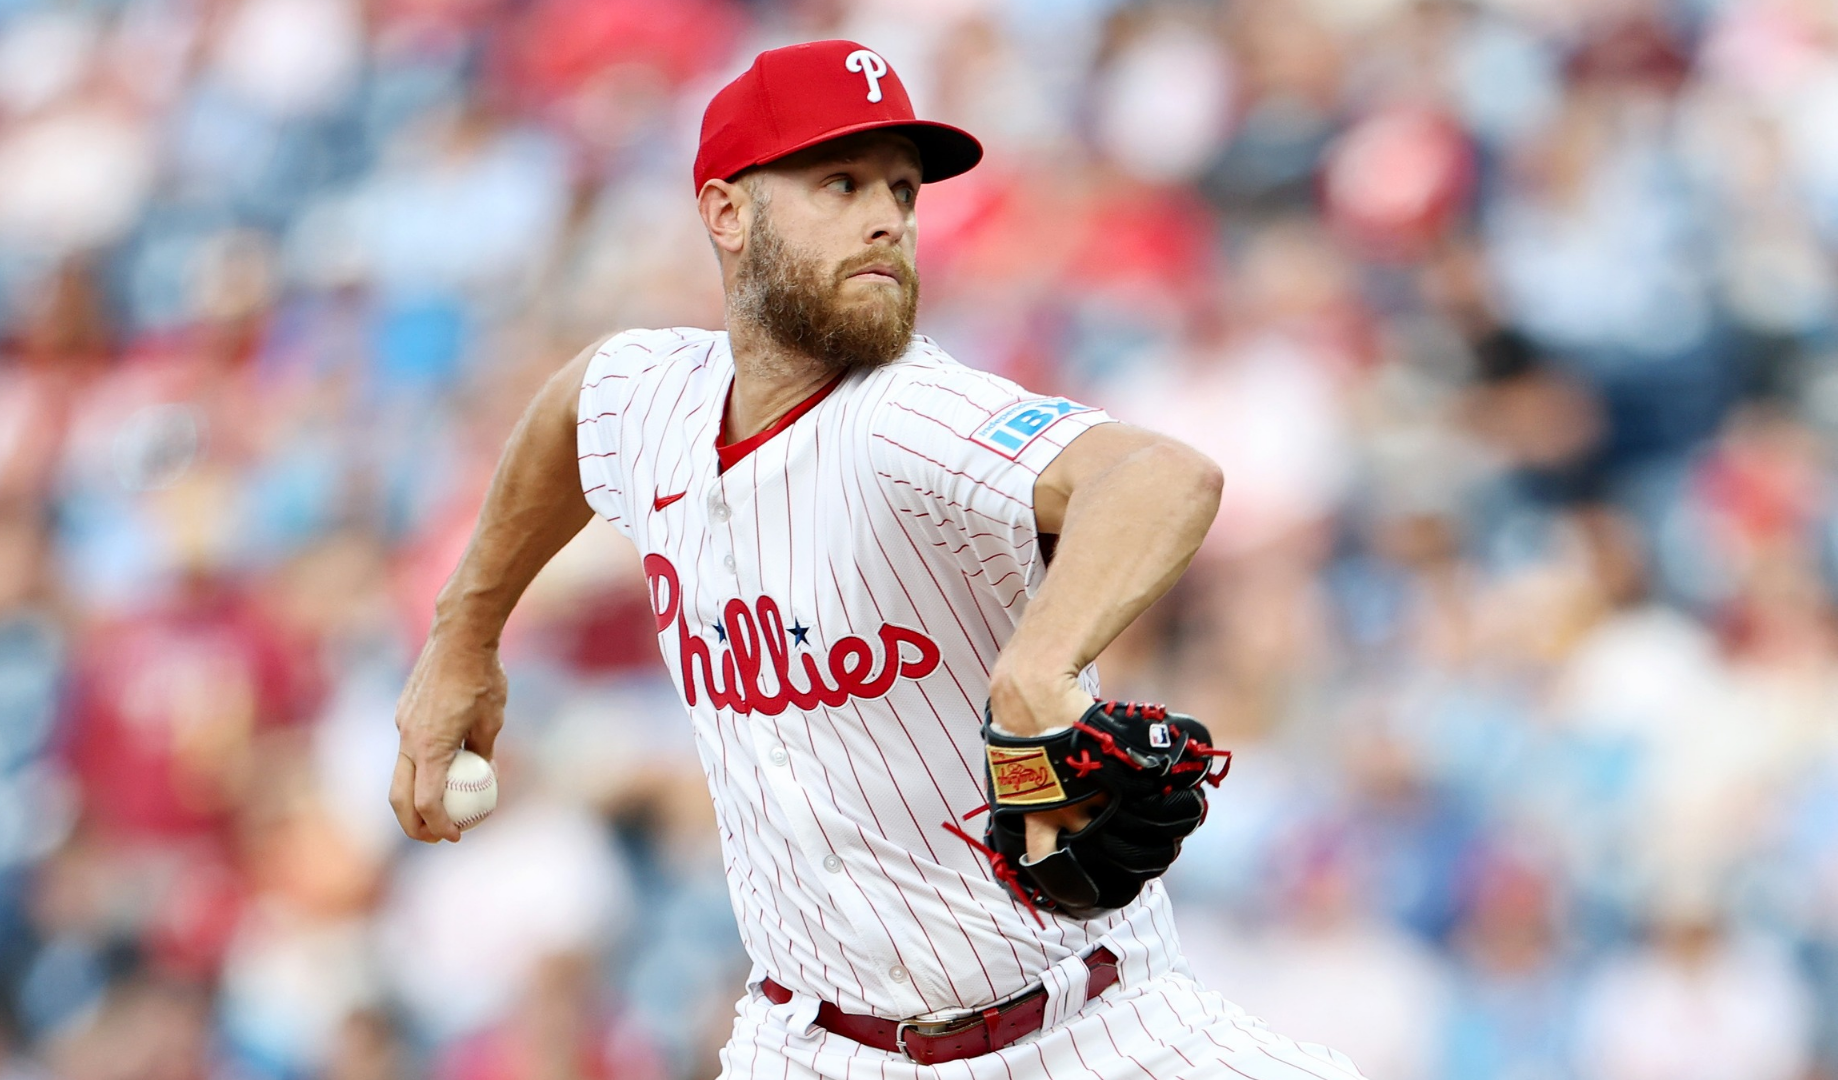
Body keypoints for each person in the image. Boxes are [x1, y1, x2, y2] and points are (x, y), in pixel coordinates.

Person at [391, 39, 1367, 1079]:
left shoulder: (907, 411)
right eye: (840, 182)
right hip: (810, 1047)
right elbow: (573, 410)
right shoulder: (654, 398)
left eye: (902, 189)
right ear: (726, 212)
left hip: (1084, 1036)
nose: (887, 217)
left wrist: (1037, 667)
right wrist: (464, 636)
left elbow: (1161, 477)